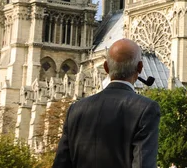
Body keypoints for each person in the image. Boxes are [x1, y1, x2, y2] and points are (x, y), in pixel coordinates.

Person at [53, 39, 161, 168]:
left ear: (105, 68)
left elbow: (61, 164)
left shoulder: (76, 110)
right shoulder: (145, 109)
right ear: (140, 68)